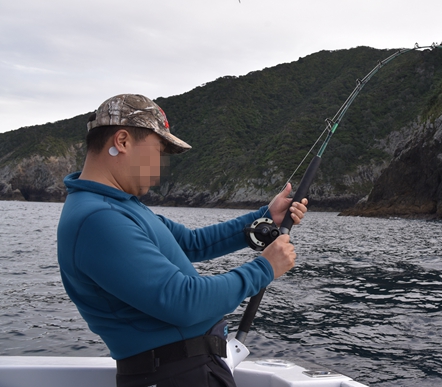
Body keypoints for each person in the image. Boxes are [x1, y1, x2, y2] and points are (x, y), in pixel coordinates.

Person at [57, 93, 307, 387]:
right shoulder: (98, 219)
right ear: (122, 141)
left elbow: (191, 243)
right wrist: (265, 268)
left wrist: (266, 217)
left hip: (188, 370)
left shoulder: (118, 206)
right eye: (158, 152)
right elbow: (184, 301)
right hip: (175, 375)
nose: (161, 167)